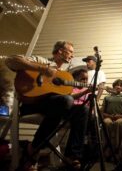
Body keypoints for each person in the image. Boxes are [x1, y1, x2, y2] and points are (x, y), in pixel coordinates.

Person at [5, 41, 89, 170]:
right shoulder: (41, 60)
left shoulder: (65, 73)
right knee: (64, 102)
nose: (72, 55)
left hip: (55, 104)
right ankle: (34, 147)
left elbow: (66, 98)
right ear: (60, 51)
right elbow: (11, 61)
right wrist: (43, 69)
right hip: (32, 102)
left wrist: (87, 90)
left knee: (82, 110)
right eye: (70, 51)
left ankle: (72, 156)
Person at [101, 79, 122, 159]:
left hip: (120, 117)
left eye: (121, 85)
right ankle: (107, 149)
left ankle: (117, 149)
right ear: (114, 86)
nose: (118, 87)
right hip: (108, 117)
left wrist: (120, 116)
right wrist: (108, 115)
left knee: (119, 123)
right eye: (117, 85)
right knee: (107, 123)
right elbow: (102, 111)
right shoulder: (107, 97)